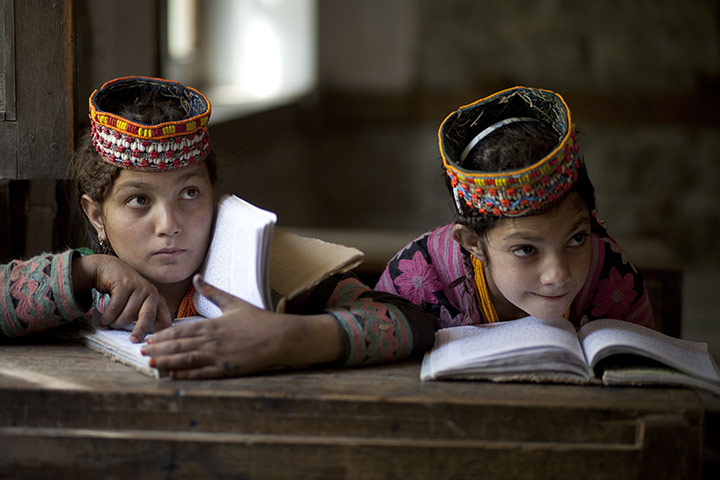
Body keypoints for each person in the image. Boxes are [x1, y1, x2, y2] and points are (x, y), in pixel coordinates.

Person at [6, 75, 435, 378]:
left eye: (189, 194)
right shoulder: (79, 288)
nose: (169, 224)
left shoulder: (267, 275)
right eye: (139, 200)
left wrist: (291, 338)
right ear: (97, 214)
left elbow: (408, 321)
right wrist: (88, 272)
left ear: (213, 195)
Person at [375, 86, 655, 331]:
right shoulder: (414, 282)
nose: (558, 275)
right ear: (473, 242)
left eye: (577, 238)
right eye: (526, 249)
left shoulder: (614, 279)